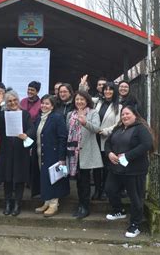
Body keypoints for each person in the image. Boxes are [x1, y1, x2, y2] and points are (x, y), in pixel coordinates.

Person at [104, 105, 153, 238]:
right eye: (123, 114)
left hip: (134, 170)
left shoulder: (140, 129)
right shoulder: (118, 128)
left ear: (135, 115)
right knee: (110, 189)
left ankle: (135, 225)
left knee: (135, 198)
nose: (124, 116)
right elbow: (107, 143)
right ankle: (118, 210)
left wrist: (127, 156)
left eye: (127, 114)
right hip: (116, 168)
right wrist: (109, 154)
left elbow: (146, 145)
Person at [0, 90, 34, 216]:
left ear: (18, 100)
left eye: (14, 100)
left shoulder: (25, 114)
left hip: (21, 151)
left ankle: (17, 204)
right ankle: (7, 203)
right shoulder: (4, 114)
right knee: (7, 178)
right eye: (9, 101)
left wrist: (26, 135)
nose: (12, 103)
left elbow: (32, 128)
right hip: (7, 151)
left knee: (20, 179)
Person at [66, 90, 103, 219]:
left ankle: (85, 207)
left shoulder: (93, 113)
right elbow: (68, 131)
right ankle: (80, 204)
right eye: (77, 100)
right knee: (78, 180)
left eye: (82, 99)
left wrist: (84, 122)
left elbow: (97, 129)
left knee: (85, 180)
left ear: (87, 100)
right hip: (73, 151)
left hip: (86, 150)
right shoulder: (71, 114)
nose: (79, 102)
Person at [31, 94, 69, 217]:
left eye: (47, 103)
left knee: (54, 178)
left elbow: (63, 138)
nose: (44, 105)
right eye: (42, 103)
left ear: (52, 106)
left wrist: (62, 157)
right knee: (45, 178)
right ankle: (46, 201)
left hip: (53, 154)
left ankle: (54, 204)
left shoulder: (57, 118)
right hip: (40, 153)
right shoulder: (39, 118)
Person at [92, 82, 120, 200]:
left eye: (110, 90)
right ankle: (97, 189)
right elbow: (85, 98)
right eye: (105, 89)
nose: (107, 92)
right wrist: (82, 86)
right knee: (96, 167)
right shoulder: (98, 103)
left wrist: (105, 131)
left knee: (106, 167)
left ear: (114, 92)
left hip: (107, 140)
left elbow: (118, 124)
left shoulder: (118, 106)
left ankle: (105, 190)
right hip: (95, 139)